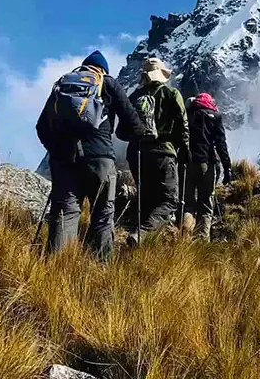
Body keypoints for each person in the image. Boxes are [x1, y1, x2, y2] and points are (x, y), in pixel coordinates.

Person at [36, 50, 145, 260]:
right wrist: (122, 135)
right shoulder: (107, 83)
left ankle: (57, 269)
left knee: (65, 214)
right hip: (100, 159)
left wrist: (56, 150)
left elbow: (41, 127)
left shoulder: (63, 84)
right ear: (103, 69)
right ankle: (102, 270)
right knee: (103, 217)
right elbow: (134, 124)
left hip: (65, 160)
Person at [126, 57, 189, 244]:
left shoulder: (134, 97)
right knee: (169, 201)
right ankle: (142, 234)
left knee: (146, 200)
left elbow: (125, 127)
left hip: (137, 153)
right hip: (163, 152)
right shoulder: (171, 94)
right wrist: (184, 150)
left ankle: (142, 248)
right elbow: (182, 125)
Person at [183, 92, 232, 241]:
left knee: (188, 203)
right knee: (205, 204)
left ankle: (184, 238)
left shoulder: (188, 115)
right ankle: (202, 242)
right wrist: (227, 168)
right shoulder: (215, 117)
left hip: (187, 163)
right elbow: (221, 145)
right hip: (207, 164)